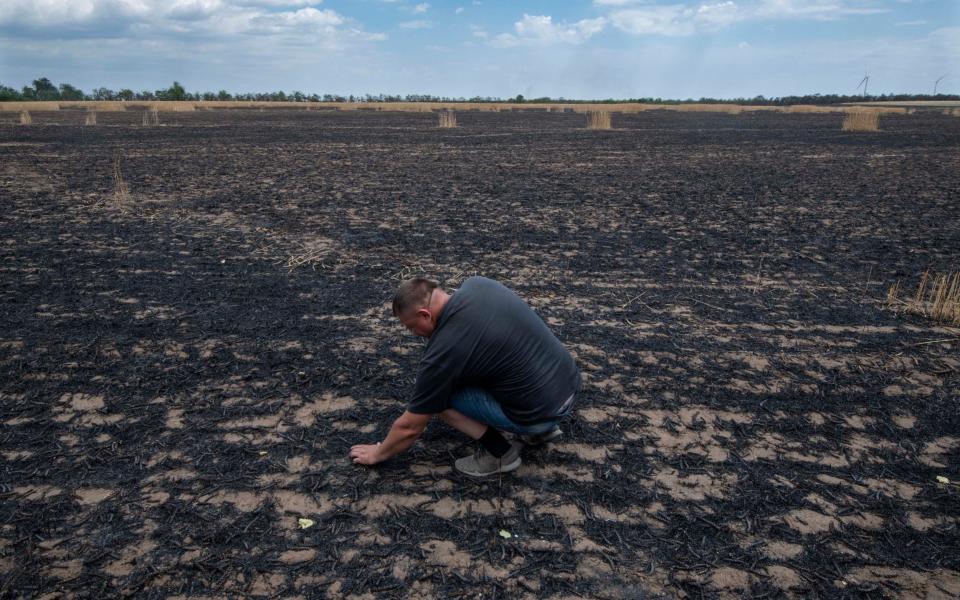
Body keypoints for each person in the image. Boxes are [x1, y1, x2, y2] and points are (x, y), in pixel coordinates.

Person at [348, 276, 580, 477]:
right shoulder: (478, 285)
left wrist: (378, 453)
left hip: (540, 414)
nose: (414, 334)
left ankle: (501, 454)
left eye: (411, 328)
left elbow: (410, 427)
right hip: (568, 388)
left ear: (425, 315)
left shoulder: (443, 351)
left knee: (438, 399)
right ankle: (542, 431)